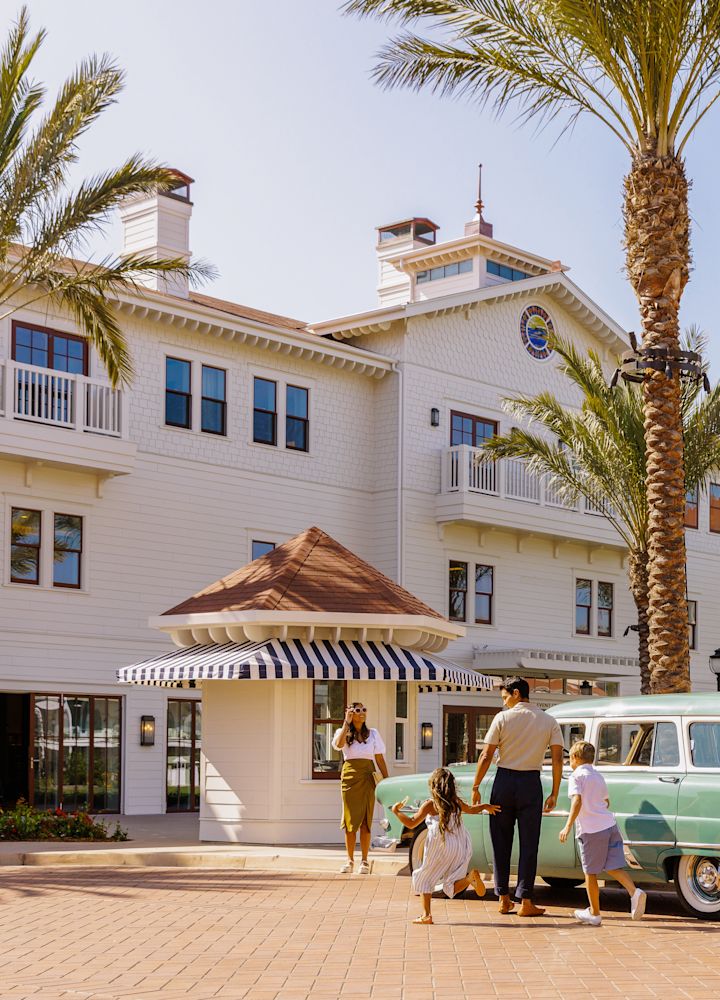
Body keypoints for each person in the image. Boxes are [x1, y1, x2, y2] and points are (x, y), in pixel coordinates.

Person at [471, 676, 564, 916]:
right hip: (531, 783)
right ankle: (526, 901)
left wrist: (476, 785)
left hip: (503, 782)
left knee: (500, 840)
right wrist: (554, 792)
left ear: (515, 693)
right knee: (529, 843)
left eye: (505, 697)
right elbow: (556, 759)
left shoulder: (502, 718)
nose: (504, 703)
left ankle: (503, 898)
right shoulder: (548, 720)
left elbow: (486, 755)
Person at [390, 767, 500, 924]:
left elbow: (411, 822)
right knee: (450, 884)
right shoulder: (456, 802)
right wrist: (485, 806)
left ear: (434, 787)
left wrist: (396, 811)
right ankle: (469, 879)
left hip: (440, 845)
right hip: (460, 845)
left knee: (424, 877)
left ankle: (426, 915)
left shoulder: (430, 805)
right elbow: (471, 809)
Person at [559, 739, 647, 925]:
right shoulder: (598, 776)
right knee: (612, 866)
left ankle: (595, 913)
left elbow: (577, 801)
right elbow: (606, 802)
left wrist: (567, 825)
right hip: (609, 825)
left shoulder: (576, 776)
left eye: (570, 759)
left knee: (590, 873)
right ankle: (634, 892)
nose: (570, 762)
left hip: (591, 830)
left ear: (575, 757)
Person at [332, 702, 388, 874]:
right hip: (349, 777)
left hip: (367, 776)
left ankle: (364, 861)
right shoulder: (343, 733)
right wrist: (346, 723)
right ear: (350, 713)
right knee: (350, 820)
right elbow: (339, 745)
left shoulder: (373, 734)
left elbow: (379, 759)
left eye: (364, 709)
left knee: (365, 820)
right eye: (357, 710)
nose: (362, 713)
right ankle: (349, 861)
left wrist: (387, 781)